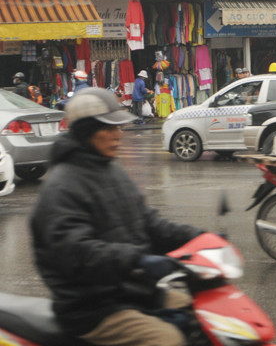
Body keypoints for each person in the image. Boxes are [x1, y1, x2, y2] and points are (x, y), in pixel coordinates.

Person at [30, 87, 204, 346]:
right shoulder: (61, 187)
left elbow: (148, 223)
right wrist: (139, 260)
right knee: (168, 339)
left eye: (118, 128)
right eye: (109, 128)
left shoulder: (112, 171)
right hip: (93, 307)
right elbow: (78, 253)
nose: (118, 135)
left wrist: (198, 239)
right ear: (87, 133)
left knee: (204, 313)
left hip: (133, 290)